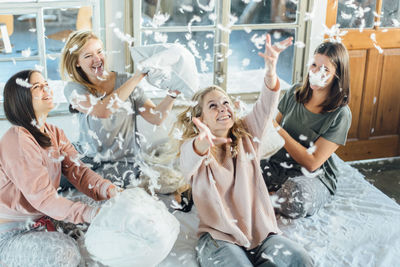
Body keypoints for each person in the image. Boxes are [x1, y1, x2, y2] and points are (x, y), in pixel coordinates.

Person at [176, 35, 313, 266]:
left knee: (301, 260)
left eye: (226, 102)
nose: (223, 109)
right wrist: (202, 142)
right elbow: (188, 160)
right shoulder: (194, 150)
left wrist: (270, 71)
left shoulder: (248, 134)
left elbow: (267, 104)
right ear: (201, 119)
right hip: (220, 238)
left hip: (261, 235)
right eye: (213, 106)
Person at [0, 70, 119, 266]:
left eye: (46, 84)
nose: (47, 89)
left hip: (42, 218)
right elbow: (44, 199)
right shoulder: (17, 138)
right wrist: (89, 214)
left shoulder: (54, 132)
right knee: (65, 252)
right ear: (20, 98)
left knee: (107, 209)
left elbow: (79, 173)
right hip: (12, 234)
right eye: (37, 87)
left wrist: (109, 190)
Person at [60, 30, 179, 188]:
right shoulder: (74, 88)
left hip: (123, 161)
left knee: (100, 186)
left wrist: (173, 93)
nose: (97, 59)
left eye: (99, 52)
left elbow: (156, 117)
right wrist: (137, 77)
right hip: (86, 157)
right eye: (88, 56)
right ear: (77, 62)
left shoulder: (126, 81)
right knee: (51, 177)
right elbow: (102, 110)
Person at [260, 40, 352, 219]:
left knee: (296, 198)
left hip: (312, 176)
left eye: (325, 70)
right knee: (238, 171)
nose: (317, 72)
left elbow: (312, 162)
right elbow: (271, 134)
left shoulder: (340, 114)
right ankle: (268, 197)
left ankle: (267, 198)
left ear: (337, 77)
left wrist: (278, 129)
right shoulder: (295, 92)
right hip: (278, 165)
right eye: (314, 65)